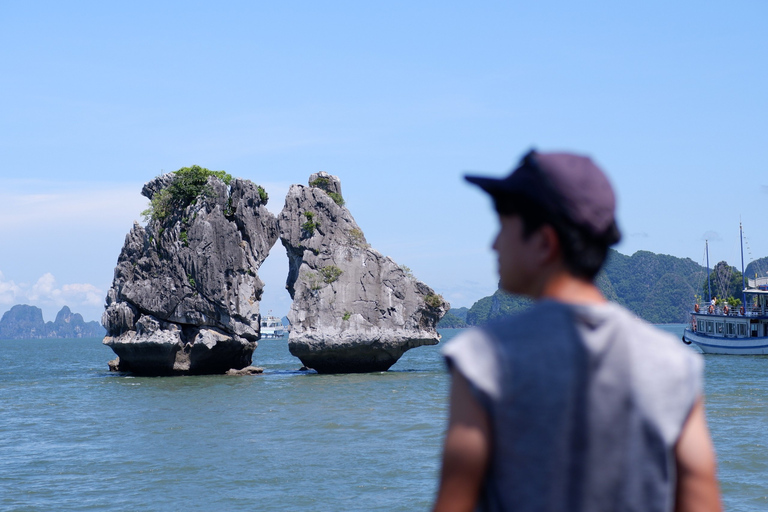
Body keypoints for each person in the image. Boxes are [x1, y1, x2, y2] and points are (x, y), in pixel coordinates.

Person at [433, 150, 721, 512]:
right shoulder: (674, 365)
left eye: (503, 225)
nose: (493, 244)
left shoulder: (484, 358)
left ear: (544, 242)